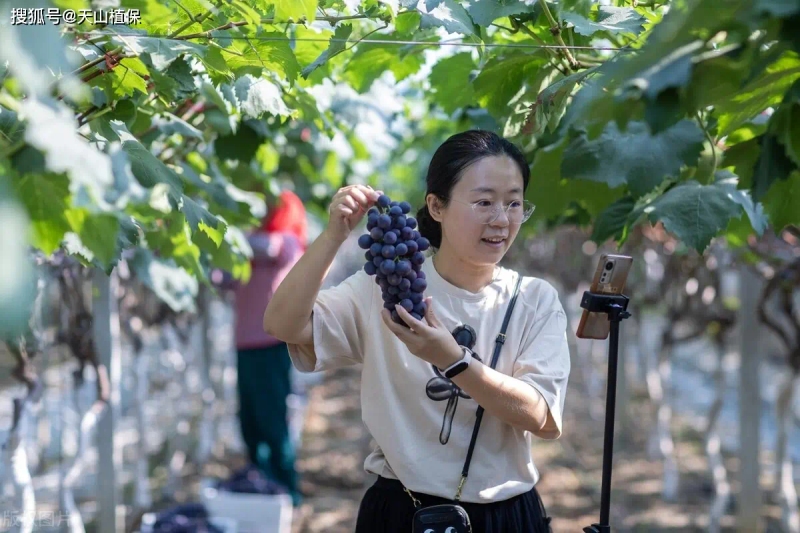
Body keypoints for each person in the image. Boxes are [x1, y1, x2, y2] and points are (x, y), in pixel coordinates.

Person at [263, 130, 570, 532]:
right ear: (436, 206)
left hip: (506, 514)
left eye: (514, 203)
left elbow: (542, 417)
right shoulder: (386, 287)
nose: (501, 219)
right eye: (484, 202)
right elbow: (282, 324)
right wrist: (334, 235)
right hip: (402, 511)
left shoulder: (533, 299)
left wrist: (454, 361)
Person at [232, 189, 307, 507]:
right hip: (245, 345)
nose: (261, 213)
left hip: (271, 344)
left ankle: (288, 491)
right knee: (249, 420)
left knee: (273, 418)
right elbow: (221, 278)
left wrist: (227, 234)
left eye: (268, 207)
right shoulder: (245, 249)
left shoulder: (286, 242)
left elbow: (268, 247)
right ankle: (261, 485)